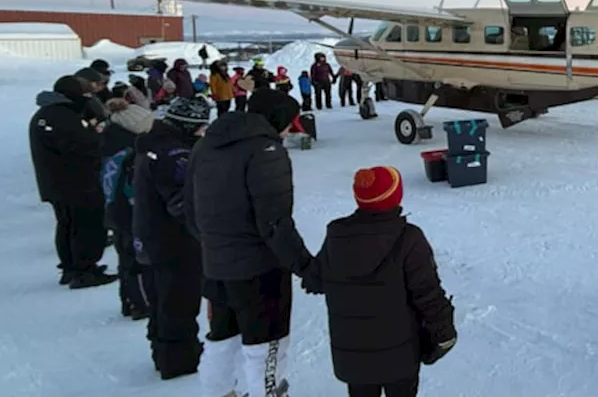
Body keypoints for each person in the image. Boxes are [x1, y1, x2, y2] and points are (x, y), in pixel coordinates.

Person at [187, 88, 313, 397]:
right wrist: (305, 266)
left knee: (222, 336)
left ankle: (217, 391)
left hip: (216, 265)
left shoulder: (205, 146)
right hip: (259, 270)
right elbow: (274, 222)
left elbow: (189, 210)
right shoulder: (266, 151)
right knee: (266, 345)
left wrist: (214, 246)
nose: (289, 129)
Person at [302, 166, 458, 397]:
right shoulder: (408, 238)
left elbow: (315, 280)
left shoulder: (337, 236)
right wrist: (444, 333)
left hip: (353, 359)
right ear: (396, 196)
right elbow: (428, 295)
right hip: (401, 357)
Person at [133, 96, 212, 379]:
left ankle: (163, 352)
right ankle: (179, 361)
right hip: (174, 243)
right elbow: (181, 203)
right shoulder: (175, 155)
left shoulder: (152, 144)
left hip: (151, 236)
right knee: (178, 301)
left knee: (161, 302)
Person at [30, 76, 117, 289]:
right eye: (85, 94)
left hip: (55, 184)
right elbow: (82, 148)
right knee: (87, 225)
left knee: (67, 224)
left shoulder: (44, 115)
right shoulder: (64, 117)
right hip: (77, 183)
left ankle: (71, 266)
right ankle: (84, 270)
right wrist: (97, 137)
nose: (88, 99)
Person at [102, 95, 155, 320]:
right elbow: (134, 191)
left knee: (126, 259)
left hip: (116, 213)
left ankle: (130, 299)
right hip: (129, 214)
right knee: (137, 261)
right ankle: (141, 303)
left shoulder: (112, 146)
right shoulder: (130, 156)